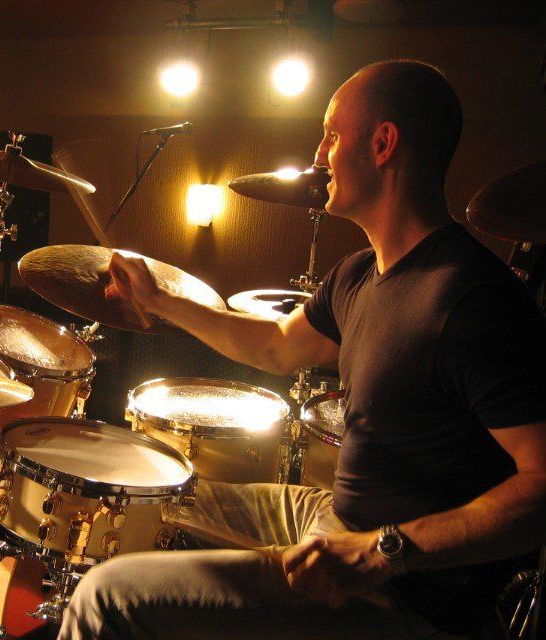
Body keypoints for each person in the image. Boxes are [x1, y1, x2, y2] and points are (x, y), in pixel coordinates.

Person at [56, 60, 546, 640]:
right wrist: (159, 300)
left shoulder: (473, 299)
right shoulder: (359, 274)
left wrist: (384, 550)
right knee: (151, 496)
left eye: (333, 135)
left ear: (383, 143)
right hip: (333, 512)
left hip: (406, 591)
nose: (319, 156)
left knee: (104, 598)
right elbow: (275, 345)